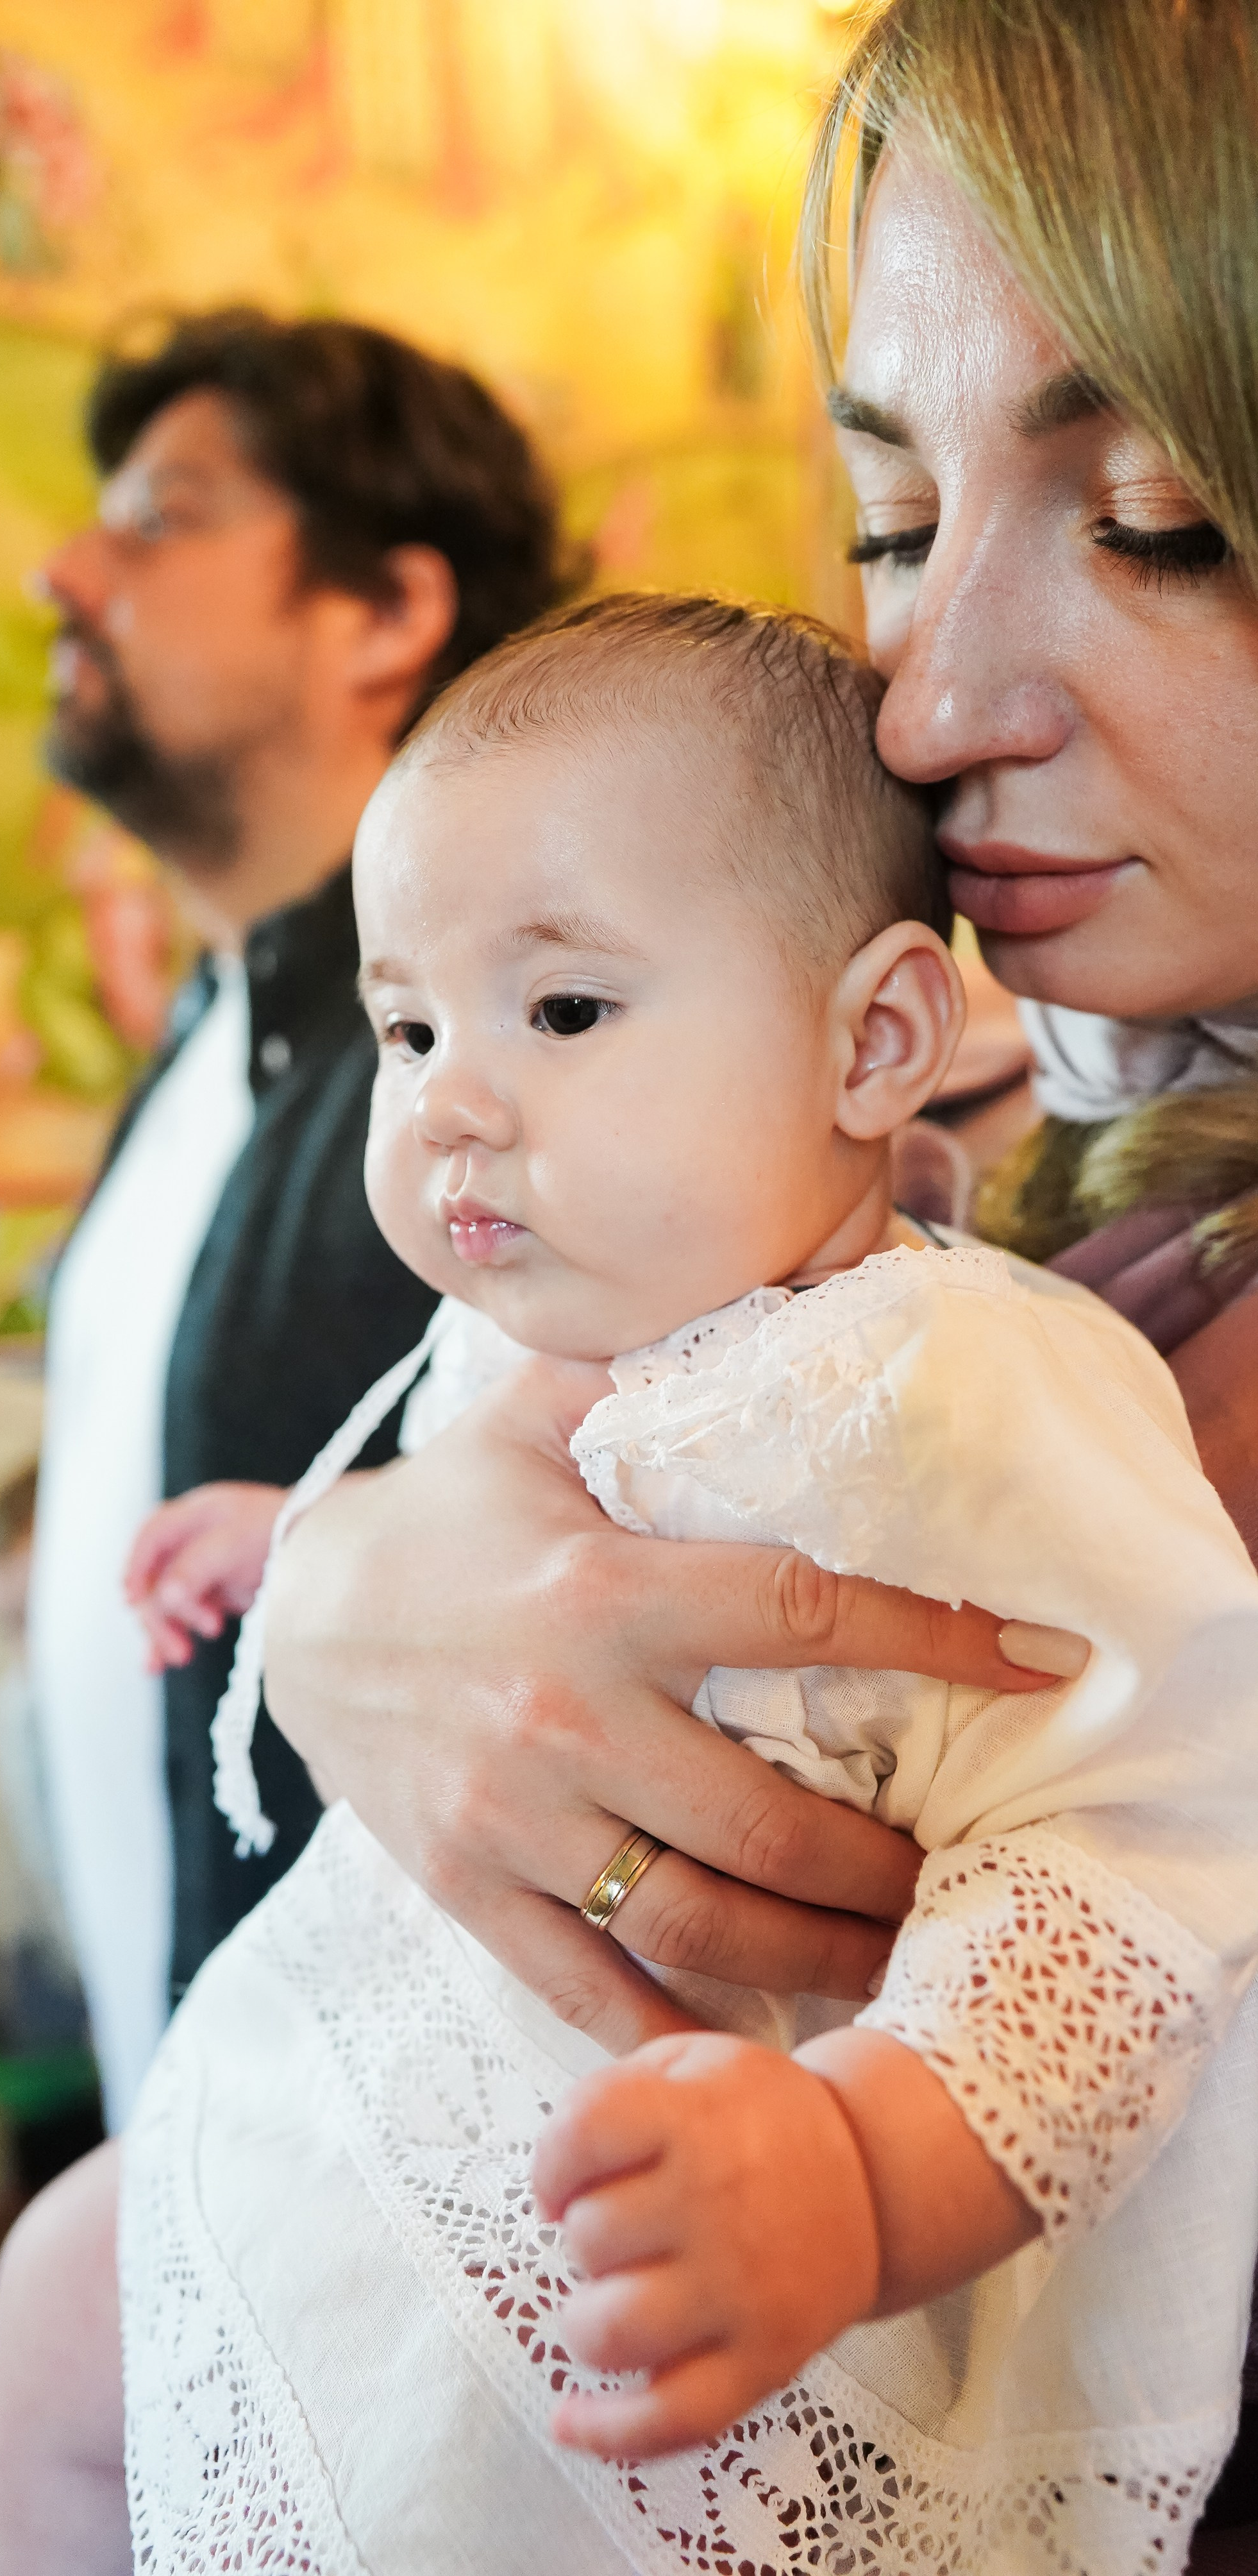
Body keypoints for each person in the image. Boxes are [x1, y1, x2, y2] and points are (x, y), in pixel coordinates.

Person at [0, 1, 1258, 2563]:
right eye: (887, 527)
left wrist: (867, 2163)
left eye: (1158, 519)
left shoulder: (1035, 1346)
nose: (932, 692)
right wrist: (343, 1570)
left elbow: (1102, 1879)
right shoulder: (1006, 1163)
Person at [121, 591, 1258, 2575]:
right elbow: (454, 1503)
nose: (448, 1098)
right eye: (411, 1025)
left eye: (560, 1009)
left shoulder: (960, 1387)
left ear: (873, 1041)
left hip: (726, 2274)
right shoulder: (578, 1307)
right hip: (400, 2168)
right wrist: (297, 1525)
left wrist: (862, 2167)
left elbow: (1139, 1840)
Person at [24, 310, 568, 2130]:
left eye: (162, 516)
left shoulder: (493, 1094)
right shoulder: (206, 1028)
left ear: (385, 613)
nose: (64, 569)